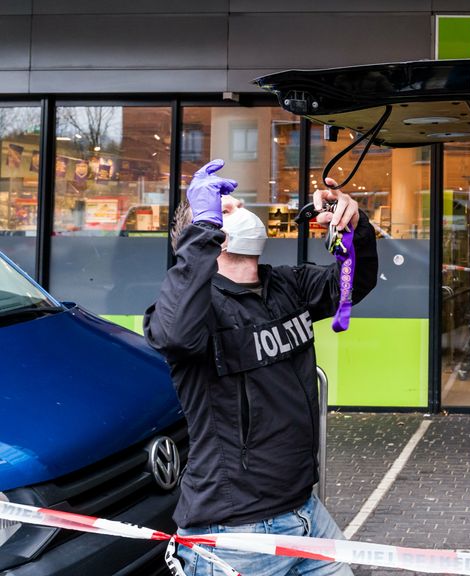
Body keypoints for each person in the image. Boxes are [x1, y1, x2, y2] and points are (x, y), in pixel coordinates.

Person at [144, 159, 378, 575]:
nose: (244, 213)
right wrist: (200, 234)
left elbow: (352, 284)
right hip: (236, 535)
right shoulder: (196, 311)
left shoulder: (286, 284)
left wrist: (354, 228)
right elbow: (175, 335)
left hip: (307, 514)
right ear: (206, 232)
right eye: (226, 209)